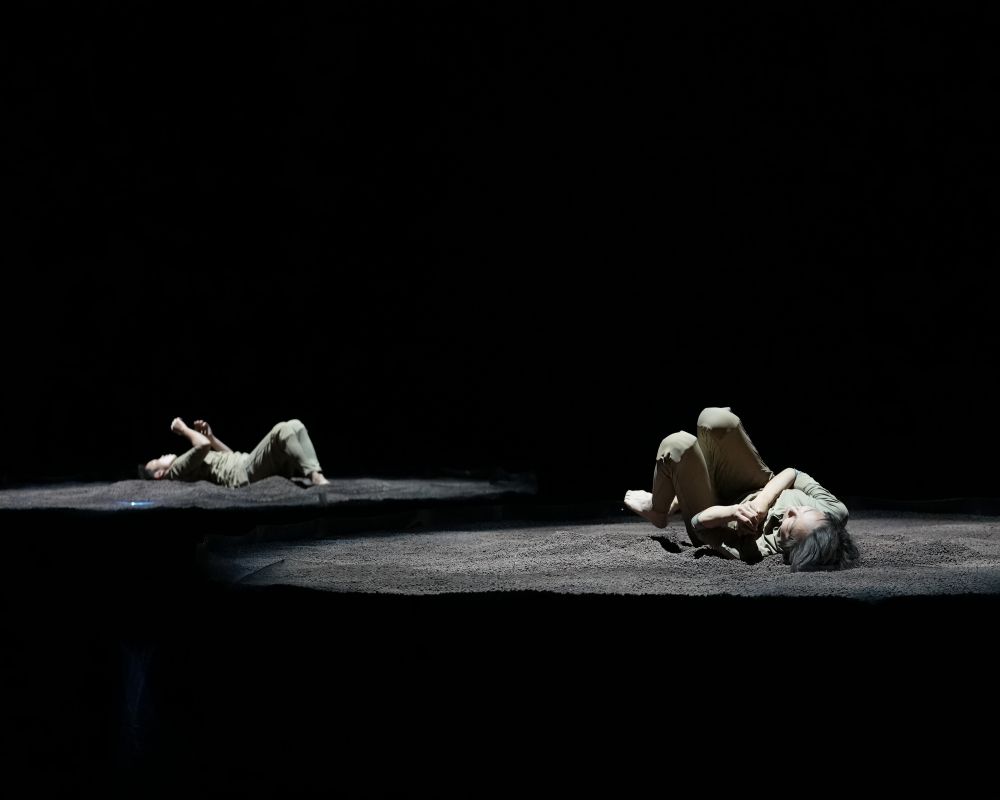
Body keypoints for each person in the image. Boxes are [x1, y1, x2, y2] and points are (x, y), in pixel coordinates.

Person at [623, 406, 857, 571]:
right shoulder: (834, 511)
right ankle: (685, 489)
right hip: (755, 486)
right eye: (804, 509)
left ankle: (659, 510)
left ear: (788, 546)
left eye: (791, 524)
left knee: (677, 445)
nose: (793, 511)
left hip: (712, 515)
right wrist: (761, 503)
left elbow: (698, 522)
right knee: (716, 421)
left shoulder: (758, 550)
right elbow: (792, 474)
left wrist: (733, 512)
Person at [140, 417, 330, 487]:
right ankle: (314, 474)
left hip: (246, 465)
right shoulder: (175, 472)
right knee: (281, 429)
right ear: (159, 474)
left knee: (295, 425)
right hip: (245, 474)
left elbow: (229, 456)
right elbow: (202, 446)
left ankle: (315, 472)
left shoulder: (185, 465)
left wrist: (213, 439)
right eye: (157, 459)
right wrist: (183, 429)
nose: (162, 454)